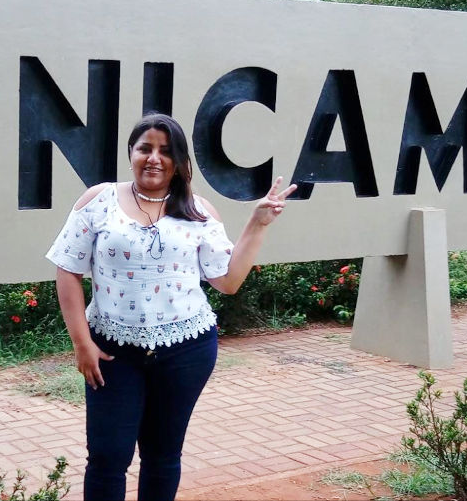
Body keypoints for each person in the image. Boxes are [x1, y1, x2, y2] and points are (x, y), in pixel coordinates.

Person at [46, 112, 297, 501]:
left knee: (163, 455)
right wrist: (82, 344)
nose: (154, 158)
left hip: (186, 351)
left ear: (179, 161)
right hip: (111, 353)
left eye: (166, 151)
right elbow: (67, 271)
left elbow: (227, 281)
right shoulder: (98, 200)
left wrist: (257, 224)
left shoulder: (198, 211)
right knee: (108, 456)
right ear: (131, 152)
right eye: (145, 148)